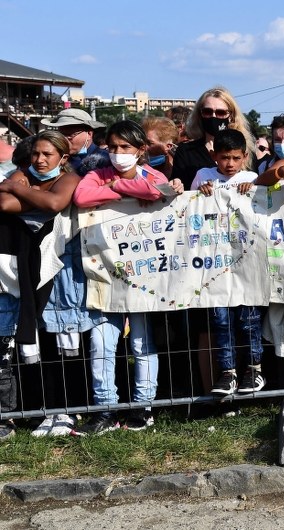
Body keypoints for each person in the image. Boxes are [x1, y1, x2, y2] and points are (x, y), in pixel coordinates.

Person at [72, 120, 184, 433]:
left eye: (126, 148)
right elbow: (82, 198)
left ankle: (143, 407)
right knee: (101, 341)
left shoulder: (154, 174)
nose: (119, 154)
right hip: (104, 272)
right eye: (113, 148)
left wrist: (115, 188)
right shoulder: (96, 173)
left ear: (141, 150)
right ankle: (105, 408)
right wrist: (116, 187)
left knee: (141, 341)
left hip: (143, 274)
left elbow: (158, 191)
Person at [0, 131, 82, 437]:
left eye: (47, 154)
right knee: (26, 344)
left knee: (60, 343)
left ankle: (63, 409)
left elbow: (56, 202)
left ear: (63, 158)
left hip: (58, 272)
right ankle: (33, 410)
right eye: (36, 153)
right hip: (19, 268)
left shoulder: (69, 178)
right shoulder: (20, 174)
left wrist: (17, 188)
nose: (40, 159)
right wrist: (23, 191)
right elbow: (5, 205)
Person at [190, 129, 266, 397]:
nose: (230, 164)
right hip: (214, 265)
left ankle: (254, 369)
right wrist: (200, 191)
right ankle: (227, 372)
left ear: (245, 156)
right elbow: (189, 207)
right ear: (214, 156)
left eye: (235, 158)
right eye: (224, 158)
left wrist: (252, 189)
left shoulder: (251, 177)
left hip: (246, 263)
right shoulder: (203, 176)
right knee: (220, 321)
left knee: (249, 319)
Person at [171, 87, 255, 189]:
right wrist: (177, 184)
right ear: (200, 114)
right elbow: (178, 184)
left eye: (221, 112)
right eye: (207, 111)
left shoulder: (247, 149)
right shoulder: (186, 151)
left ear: (231, 116)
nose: (213, 116)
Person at [39, 108, 107, 174]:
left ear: (89, 134)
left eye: (70, 135)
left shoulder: (103, 161)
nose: (64, 139)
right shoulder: (57, 158)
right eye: (60, 135)